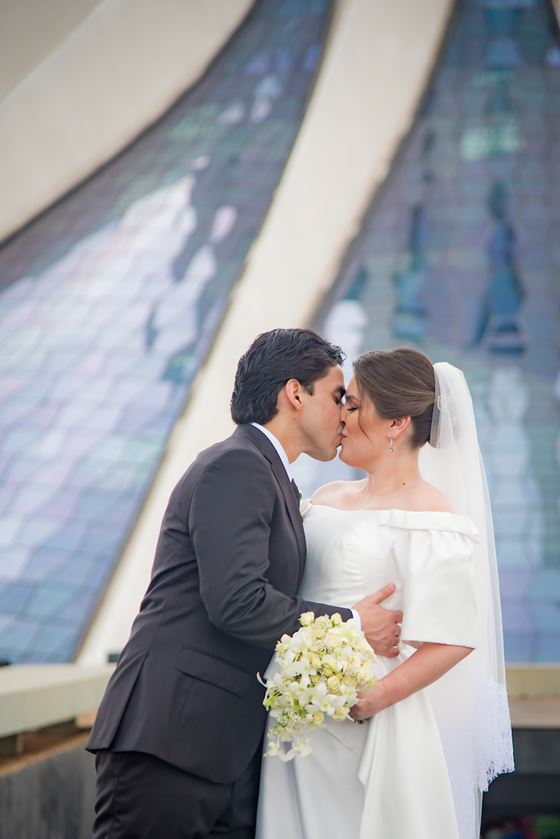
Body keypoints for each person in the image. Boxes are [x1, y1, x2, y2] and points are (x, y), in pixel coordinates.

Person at [87, 329, 402, 839]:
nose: (345, 414)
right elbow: (236, 602)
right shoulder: (236, 465)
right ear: (295, 393)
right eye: (337, 396)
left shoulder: (268, 472)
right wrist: (351, 623)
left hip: (219, 751)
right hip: (169, 740)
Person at [256, 347, 514, 839]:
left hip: (371, 721)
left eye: (353, 405)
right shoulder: (326, 497)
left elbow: (455, 638)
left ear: (396, 423)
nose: (342, 417)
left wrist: (372, 700)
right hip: (296, 716)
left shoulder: (432, 516)